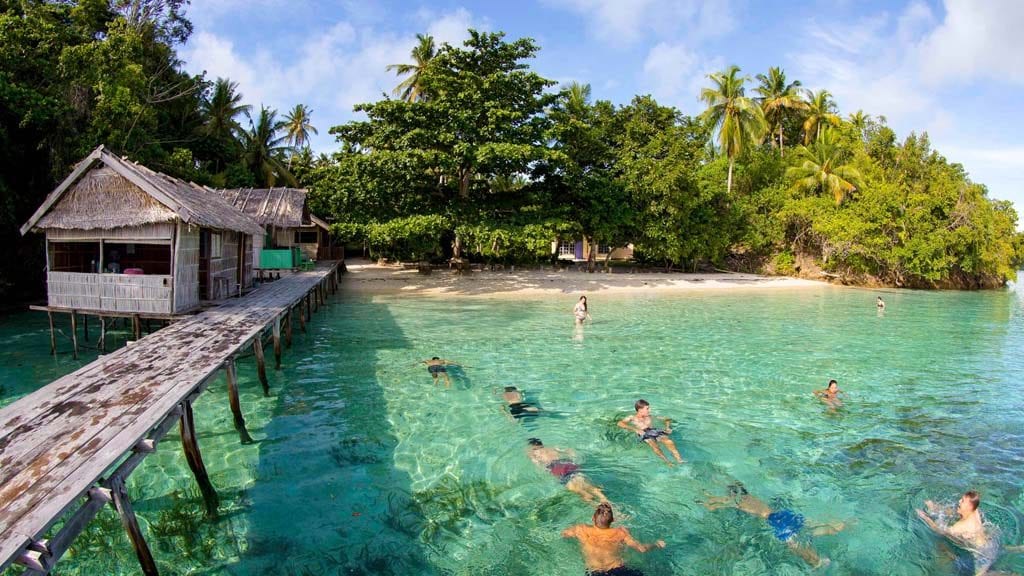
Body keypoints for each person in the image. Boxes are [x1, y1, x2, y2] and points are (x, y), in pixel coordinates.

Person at [702, 481, 844, 568]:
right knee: (808, 527)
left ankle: (818, 562)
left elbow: (715, 505)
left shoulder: (738, 502)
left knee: (797, 547)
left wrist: (707, 500)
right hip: (783, 514)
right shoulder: (752, 498)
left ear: (733, 494)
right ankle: (838, 526)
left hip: (776, 523)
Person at [562, 502, 665, 576]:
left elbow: (564, 534)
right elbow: (642, 548)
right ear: (613, 520)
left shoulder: (580, 529)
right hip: (619, 571)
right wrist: (657, 544)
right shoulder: (621, 532)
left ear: (593, 518)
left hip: (594, 572)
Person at [916, 491, 1003, 575]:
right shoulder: (975, 511)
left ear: (969, 506)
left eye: (962, 501)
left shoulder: (961, 527)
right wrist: (934, 508)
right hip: (991, 544)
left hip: (982, 554)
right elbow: (954, 512)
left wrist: (924, 517)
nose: (959, 501)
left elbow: (939, 530)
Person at [527, 438, 608, 505]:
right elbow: (571, 451)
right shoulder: (553, 447)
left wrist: (545, 471)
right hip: (569, 464)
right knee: (591, 488)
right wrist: (574, 460)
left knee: (583, 494)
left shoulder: (535, 454)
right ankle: (608, 504)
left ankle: (597, 509)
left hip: (557, 468)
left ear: (532, 447)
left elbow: (539, 468)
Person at [618, 399, 684, 466]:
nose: (649, 410)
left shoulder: (650, 416)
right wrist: (635, 429)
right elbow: (620, 423)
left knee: (669, 441)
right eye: (647, 408)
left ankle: (679, 460)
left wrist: (667, 427)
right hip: (644, 433)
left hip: (654, 431)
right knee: (654, 446)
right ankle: (667, 462)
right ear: (640, 410)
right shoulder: (632, 417)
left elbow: (667, 419)